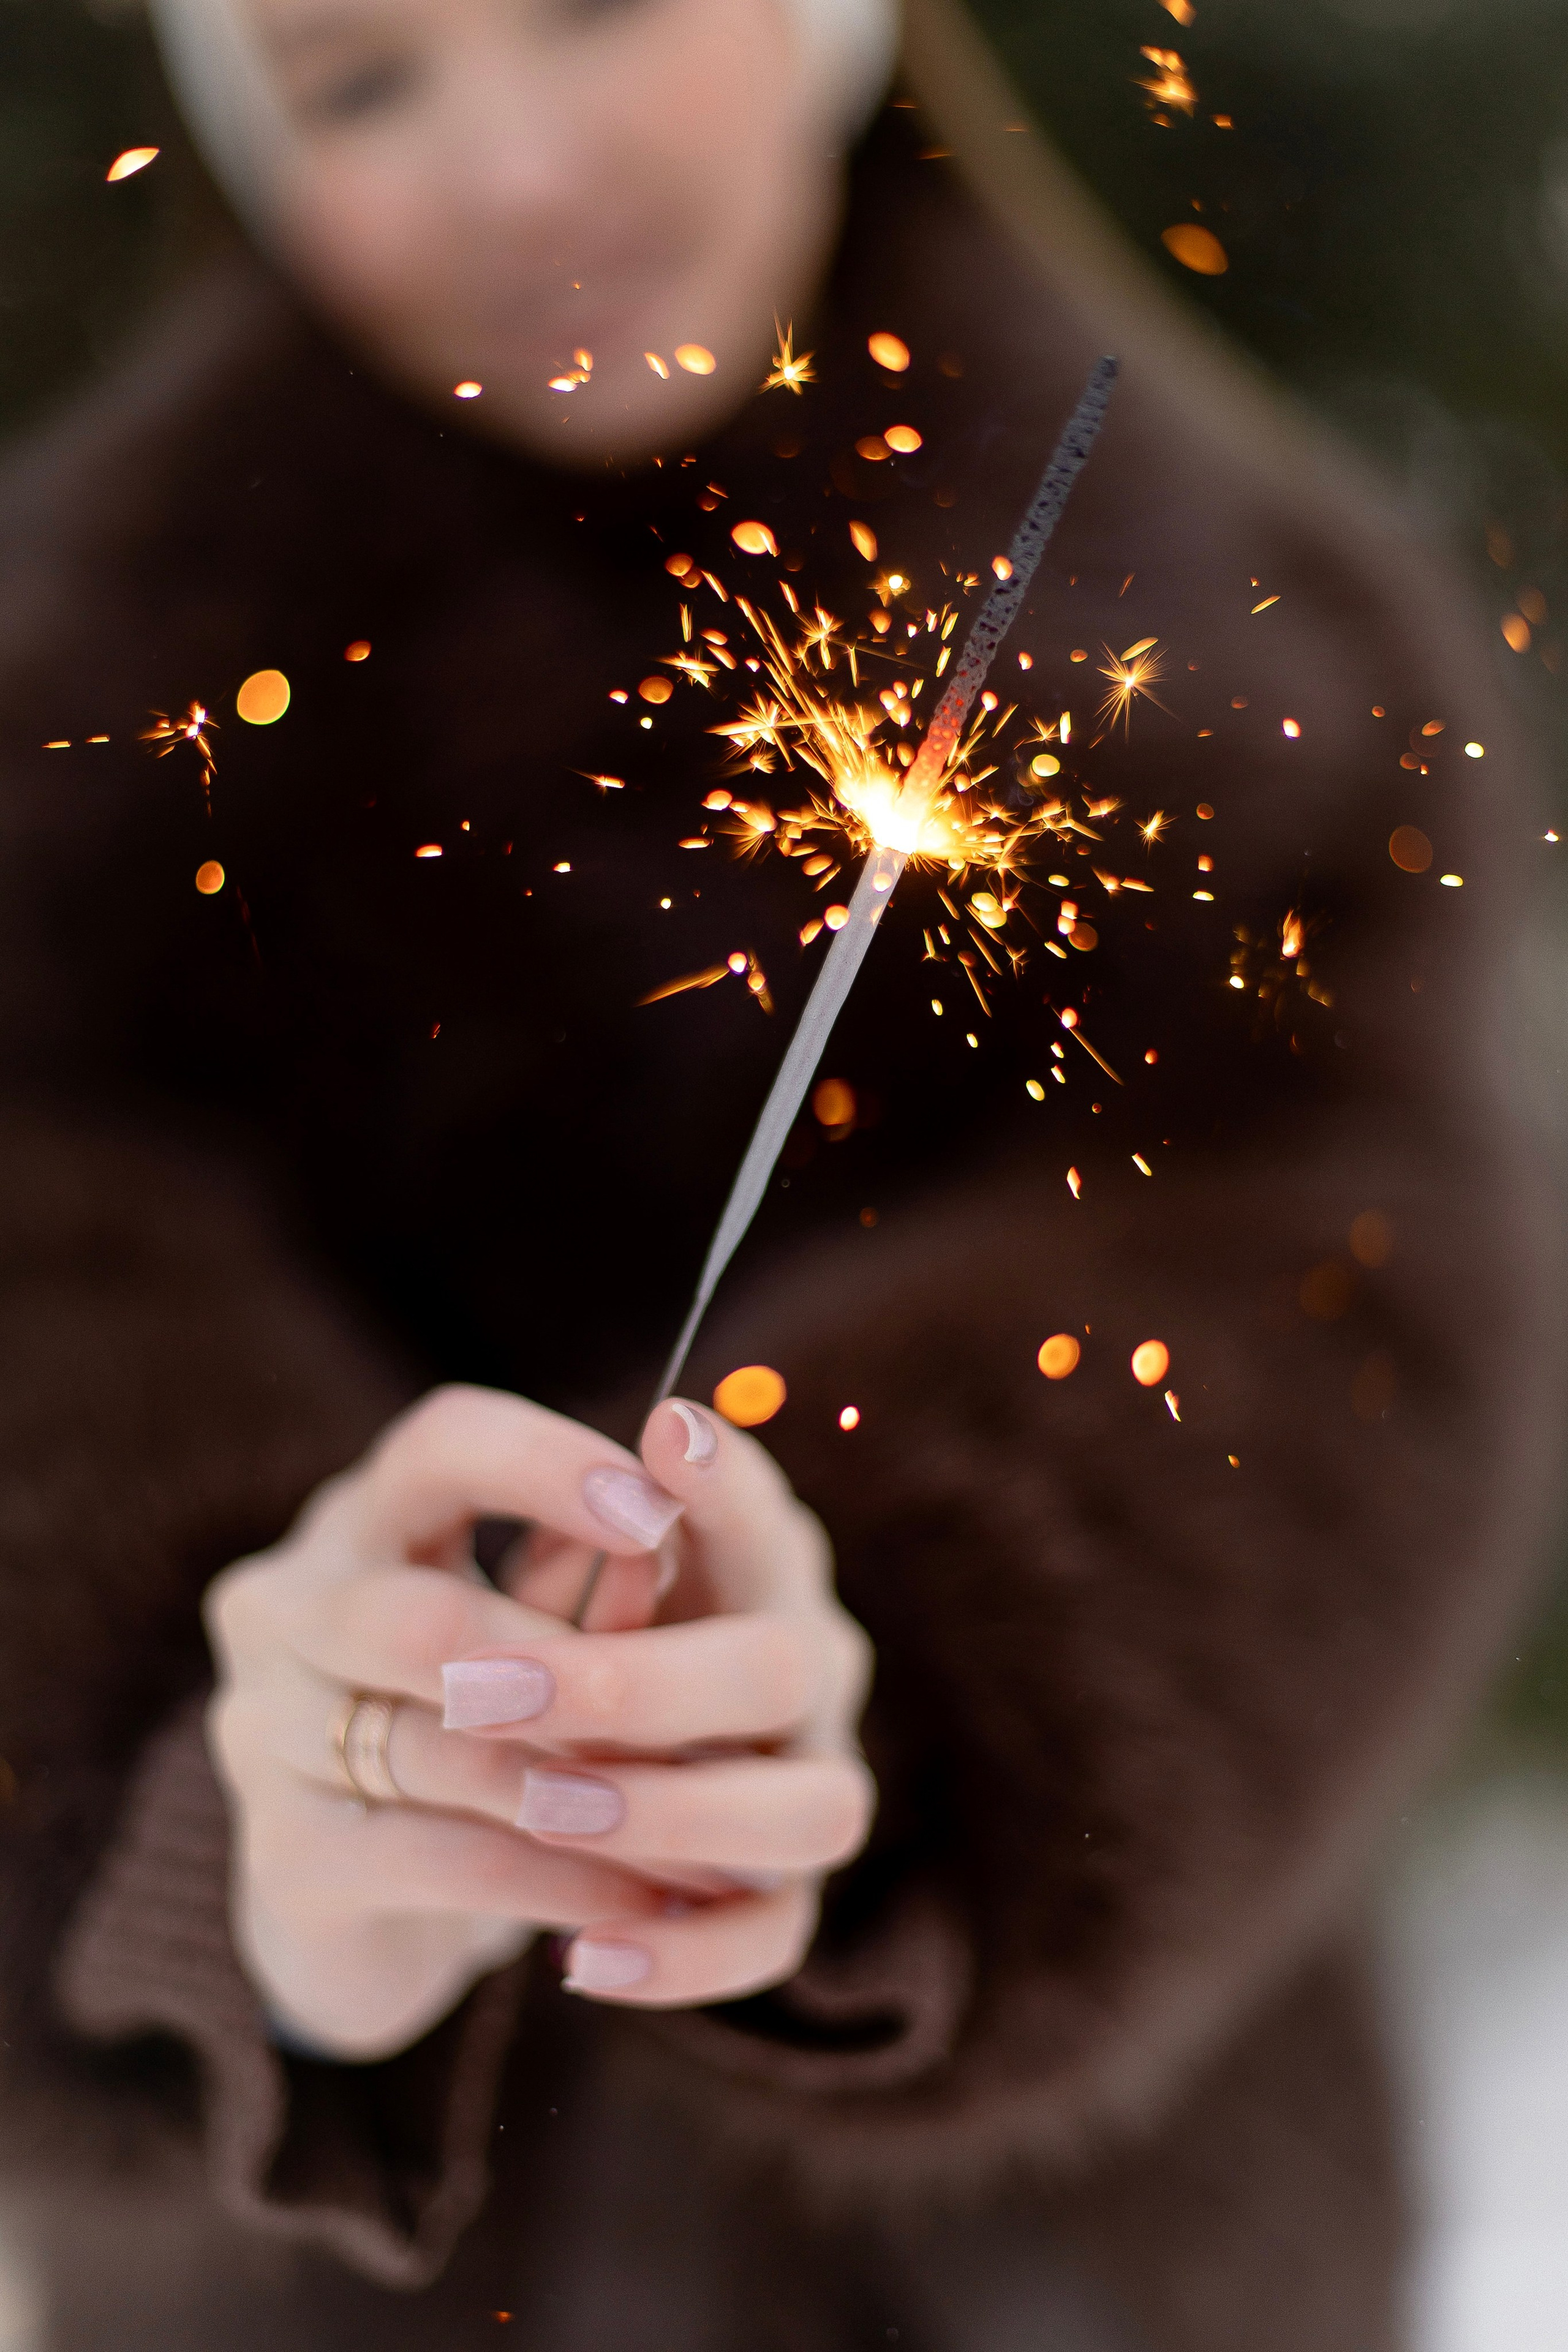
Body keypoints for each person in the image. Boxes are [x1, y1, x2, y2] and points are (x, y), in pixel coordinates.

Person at [0, 0, 1556, 2345]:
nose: (517, 169)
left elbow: (1343, 1299)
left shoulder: (1264, 659)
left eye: (599, 3)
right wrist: (217, 1809)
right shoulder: (64, 709)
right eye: (354, 81)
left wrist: (923, 1717)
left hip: (1087, 2272)